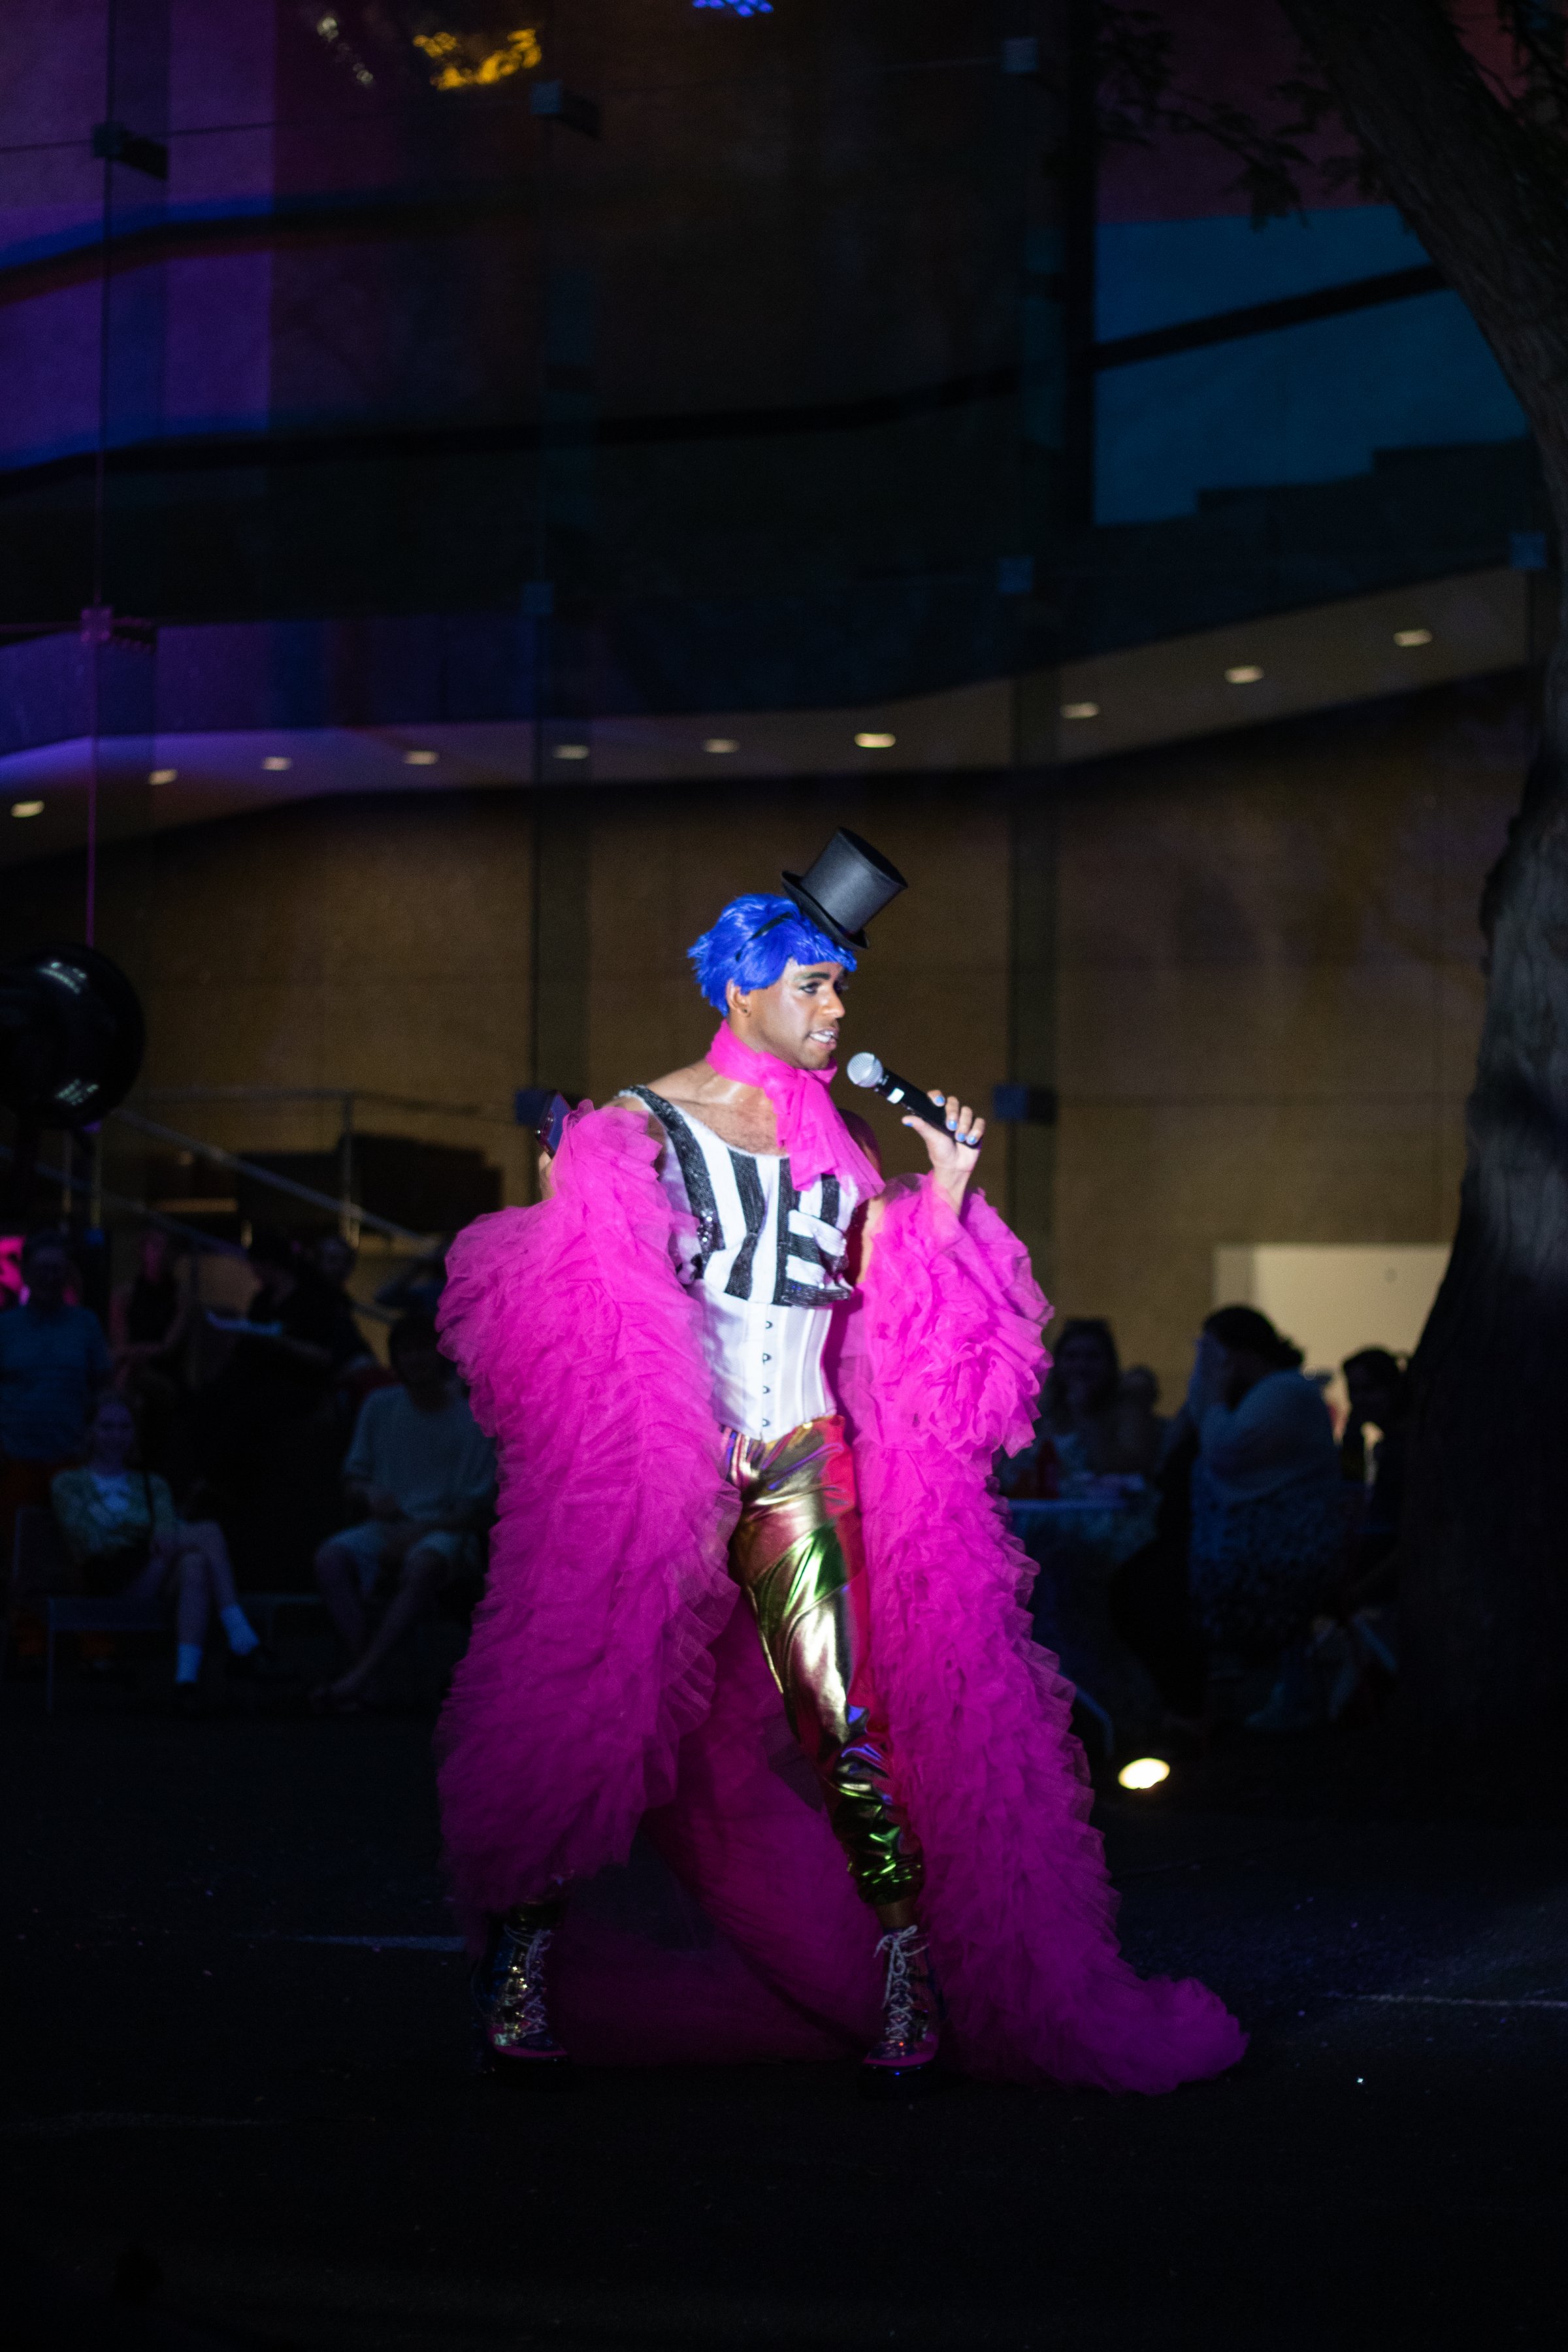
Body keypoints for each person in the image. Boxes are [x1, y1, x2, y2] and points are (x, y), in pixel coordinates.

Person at [440, 828, 1243, 2095]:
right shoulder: (637, 1127)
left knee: (846, 1722)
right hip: (664, 1471)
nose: (836, 1009)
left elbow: (893, 1306)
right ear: (741, 989)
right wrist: (563, 1206)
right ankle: (525, 1968)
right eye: (814, 985)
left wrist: (949, 1189)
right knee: (595, 1700)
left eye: (840, 987)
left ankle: (904, 1980)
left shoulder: (845, 1145)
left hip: (805, 1457)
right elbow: (578, 1322)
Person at [311, 1313, 495, 1710]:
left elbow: (473, 1510)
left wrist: (416, 1532)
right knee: (330, 1558)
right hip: (388, 1525)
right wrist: (369, 1492)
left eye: (423, 1349)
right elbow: (354, 1476)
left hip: (444, 1531)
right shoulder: (380, 1406)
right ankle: (368, 1675)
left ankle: (359, 1678)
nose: (416, 1359)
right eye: (407, 1351)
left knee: (425, 1563)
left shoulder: (470, 1420)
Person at [50, 1390, 269, 1706]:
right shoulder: (68, 1483)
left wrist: (155, 1542)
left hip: (153, 1572)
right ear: (90, 1432)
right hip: (109, 1578)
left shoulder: (152, 1484)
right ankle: (240, 1636)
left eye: (124, 1427)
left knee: (195, 1563)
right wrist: (149, 1538)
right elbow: (89, 1541)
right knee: (207, 1532)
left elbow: (165, 1527)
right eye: (107, 1427)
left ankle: (186, 1682)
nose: (116, 1435)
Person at [1185, 1305, 1343, 1733]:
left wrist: (1212, 1395)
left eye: (1211, 1356)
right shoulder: (1267, 1394)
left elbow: (1226, 1452)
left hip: (1282, 1551)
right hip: (1255, 1547)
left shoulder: (1283, 1393)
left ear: (1236, 1354)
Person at [0, 1231, 112, 1567]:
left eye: (58, 1270)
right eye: (43, 1269)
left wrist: (99, 1444)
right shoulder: (5, 1327)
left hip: (72, 1461)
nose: (51, 1278)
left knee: (74, 1556)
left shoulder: (86, 1324)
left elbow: (103, 1388)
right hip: (13, 1462)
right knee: (13, 1555)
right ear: (26, 1273)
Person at [1037, 1318, 1163, 1483]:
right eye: (1071, 1356)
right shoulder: (1046, 1407)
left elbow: (1122, 1468)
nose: (1081, 1366)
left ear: (1110, 1363)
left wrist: (1085, 1414)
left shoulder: (1129, 1407)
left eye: (1092, 1357)